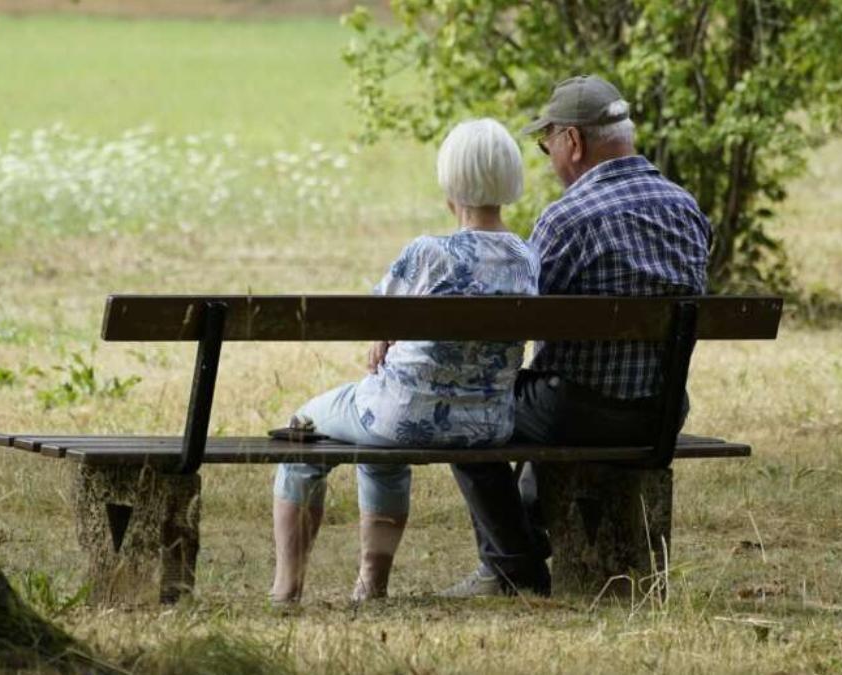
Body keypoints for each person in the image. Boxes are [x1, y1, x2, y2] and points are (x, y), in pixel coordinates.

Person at [442, 75, 712, 598]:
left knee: (463, 408)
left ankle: (513, 568)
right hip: (661, 412)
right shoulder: (687, 209)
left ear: (573, 141)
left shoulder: (566, 219)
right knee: (544, 396)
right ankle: (520, 549)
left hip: (578, 412)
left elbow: (517, 321)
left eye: (547, 147)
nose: (549, 159)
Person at [270, 118, 540, 604]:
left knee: (302, 429)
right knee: (380, 443)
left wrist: (384, 335)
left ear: (450, 183)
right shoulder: (526, 258)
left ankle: (286, 588)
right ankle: (370, 585)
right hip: (487, 425)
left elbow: (375, 315)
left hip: (402, 416)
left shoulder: (427, 253)